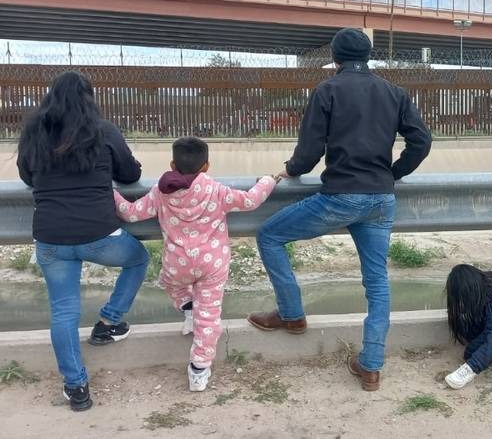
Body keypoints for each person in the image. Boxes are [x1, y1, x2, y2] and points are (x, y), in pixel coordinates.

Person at [247, 27, 432, 391]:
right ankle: (371, 366)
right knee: (377, 284)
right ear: (369, 56)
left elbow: (309, 152)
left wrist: (290, 170)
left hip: (342, 197)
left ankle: (291, 315)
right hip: (381, 199)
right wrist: (393, 172)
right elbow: (421, 141)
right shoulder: (394, 92)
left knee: (268, 235)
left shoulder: (327, 90)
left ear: (335, 58)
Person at [16, 71, 149, 412]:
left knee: (63, 312)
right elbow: (130, 174)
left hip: (51, 239)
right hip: (100, 235)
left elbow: (27, 175)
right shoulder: (103, 130)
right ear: (90, 99)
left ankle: (77, 388)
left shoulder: (34, 132)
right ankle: (108, 322)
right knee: (138, 260)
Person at [113, 136, 278, 392]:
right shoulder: (216, 190)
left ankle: (188, 307)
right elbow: (250, 201)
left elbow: (131, 213)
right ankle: (199, 370)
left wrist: (110, 193)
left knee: (170, 283)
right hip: (212, 264)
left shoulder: (160, 191)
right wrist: (268, 181)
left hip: (177, 262)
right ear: (206, 167)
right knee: (209, 316)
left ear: (171, 162)